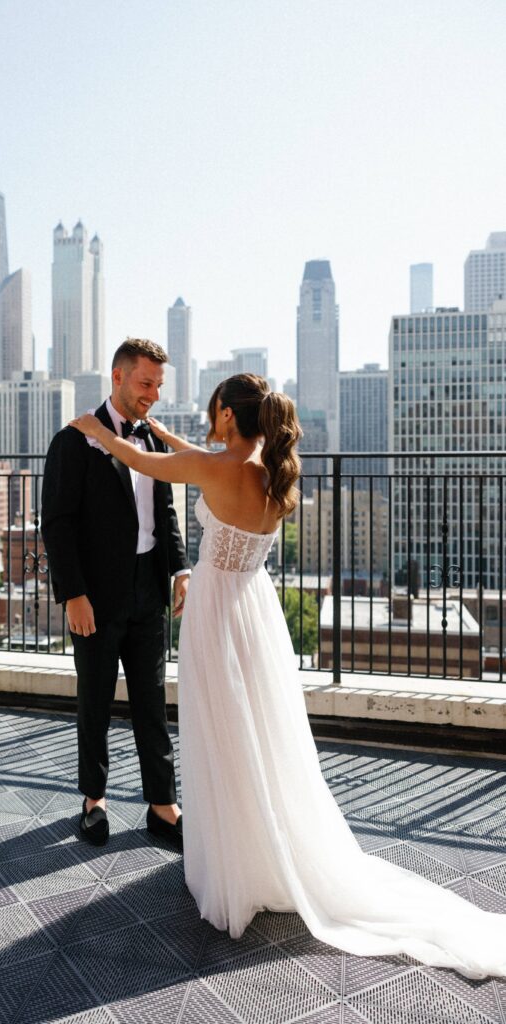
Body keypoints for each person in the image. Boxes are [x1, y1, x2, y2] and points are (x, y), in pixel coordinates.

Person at [70, 372, 506, 979]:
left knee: (222, 735)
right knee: (261, 738)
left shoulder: (215, 468)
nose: (205, 415)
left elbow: (151, 463)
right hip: (258, 610)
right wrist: (157, 429)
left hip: (219, 612)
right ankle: (264, 854)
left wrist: (98, 431)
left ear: (226, 416)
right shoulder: (274, 472)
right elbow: (183, 453)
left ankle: (234, 865)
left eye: (212, 408)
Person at [41, 339, 190, 849]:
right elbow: (57, 525)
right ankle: (93, 800)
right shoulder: (73, 440)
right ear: (118, 377)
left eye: (158, 385)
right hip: (97, 597)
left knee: (152, 702)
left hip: (149, 588)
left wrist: (180, 570)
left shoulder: (152, 439)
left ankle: (162, 805)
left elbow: (164, 512)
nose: (153, 394)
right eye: (145, 383)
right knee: (96, 702)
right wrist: (73, 594)